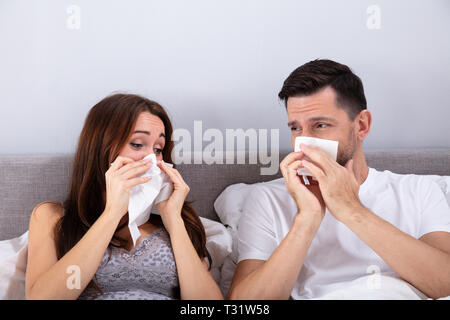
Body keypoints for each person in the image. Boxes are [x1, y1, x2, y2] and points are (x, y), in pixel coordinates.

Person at [228, 59, 450, 299]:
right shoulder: (268, 198)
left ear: (362, 126)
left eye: (320, 125)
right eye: (295, 129)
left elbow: (445, 283)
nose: (304, 142)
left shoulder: (419, 190)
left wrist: (350, 209)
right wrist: (308, 218)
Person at [25, 93, 223, 300]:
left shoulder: (177, 220)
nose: (151, 160)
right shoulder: (52, 216)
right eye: (137, 144)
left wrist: (173, 218)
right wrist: (112, 213)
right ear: (100, 147)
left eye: (158, 149)